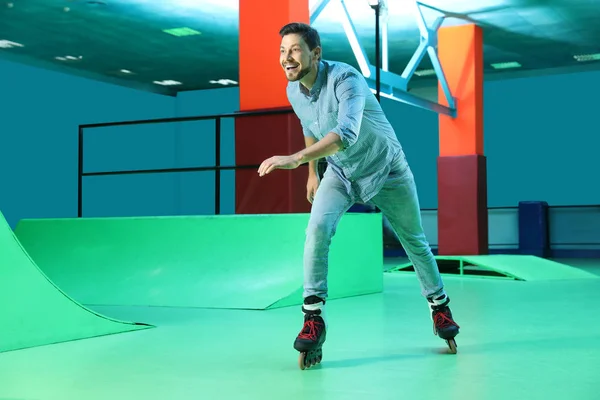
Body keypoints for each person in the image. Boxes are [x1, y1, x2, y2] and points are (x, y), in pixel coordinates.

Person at [257, 22, 460, 365]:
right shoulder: (293, 92)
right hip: (340, 172)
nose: (286, 58)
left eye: (294, 50)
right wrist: (312, 172)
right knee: (317, 230)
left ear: (315, 54)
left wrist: (294, 159)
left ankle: (439, 308)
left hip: (387, 169)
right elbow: (310, 128)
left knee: (414, 241)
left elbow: (345, 134)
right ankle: (312, 318)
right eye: (282, 51)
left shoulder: (346, 79)